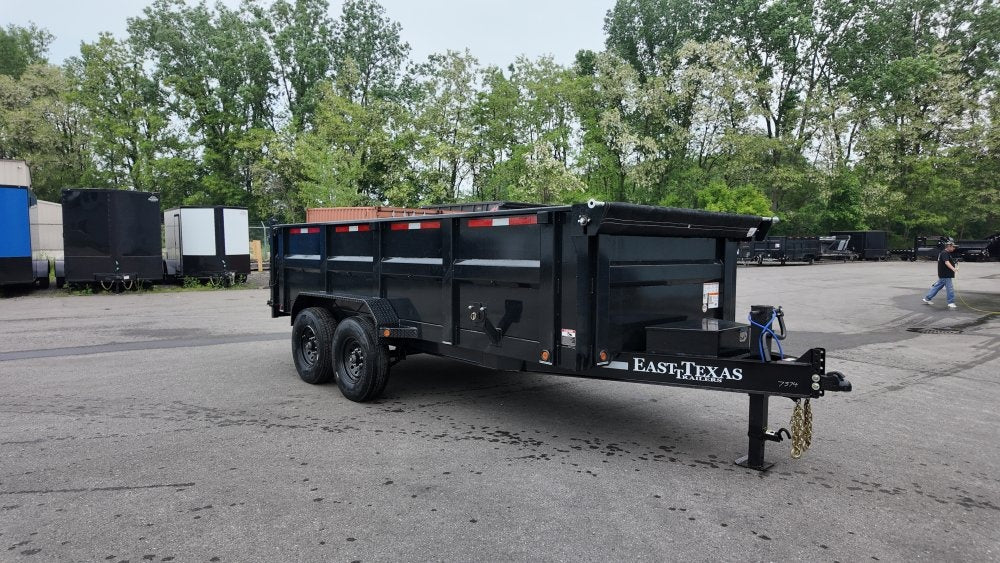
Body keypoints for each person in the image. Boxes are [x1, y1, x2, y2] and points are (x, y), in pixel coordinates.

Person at [922, 240, 959, 309]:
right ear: (948, 246)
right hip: (945, 274)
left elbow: (948, 261)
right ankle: (951, 302)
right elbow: (946, 262)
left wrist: (954, 263)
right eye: (953, 247)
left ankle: (927, 298)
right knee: (950, 288)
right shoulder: (945, 253)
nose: (954, 248)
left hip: (943, 274)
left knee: (937, 287)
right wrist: (954, 269)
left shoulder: (945, 253)